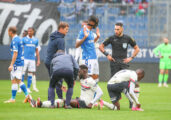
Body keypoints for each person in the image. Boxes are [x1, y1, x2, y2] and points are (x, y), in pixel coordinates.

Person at [28, 65, 116, 110]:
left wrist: (92, 103)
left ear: (84, 71)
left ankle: (40, 104)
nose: (78, 72)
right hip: (81, 100)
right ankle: (40, 104)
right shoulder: (82, 79)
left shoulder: (90, 81)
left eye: (79, 71)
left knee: (64, 101)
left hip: (85, 103)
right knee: (64, 101)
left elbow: (100, 92)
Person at [4, 26, 29, 103]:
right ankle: (13, 98)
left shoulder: (15, 40)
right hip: (19, 62)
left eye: (8, 31)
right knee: (14, 80)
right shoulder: (19, 39)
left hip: (17, 63)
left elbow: (15, 53)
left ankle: (27, 96)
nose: (8, 33)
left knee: (18, 80)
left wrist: (11, 64)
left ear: (11, 31)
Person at [44, 22, 69, 99]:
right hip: (55, 63)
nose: (67, 31)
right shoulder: (60, 40)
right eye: (66, 29)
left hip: (48, 61)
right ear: (61, 29)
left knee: (53, 81)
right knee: (59, 80)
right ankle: (60, 99)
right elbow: (60, 54)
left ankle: (50, 100)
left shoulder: (53, 36)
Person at [75, 15, 100, 82]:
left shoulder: (91, 32)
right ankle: (85, 92)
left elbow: (90, 43)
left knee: (95, 77)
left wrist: (97, 37)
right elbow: (76, 45)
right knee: (87, 79)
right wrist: (84, 37)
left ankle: (94, 92)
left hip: (94, 57)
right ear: (92, 22)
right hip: (87, 58)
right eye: (96, 23)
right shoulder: (83, 31)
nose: (97, 25)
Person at [19, 27, 40, 93]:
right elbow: (20, 49)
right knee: (22, 73)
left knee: (30, 73)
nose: (29, 32)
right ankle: (21, 88)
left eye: (30, 31)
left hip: (32, 60)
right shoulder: (24, 39)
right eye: (28, 31)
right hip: (25, 59)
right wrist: (20, 57)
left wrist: (38, 60)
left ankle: (28, 88)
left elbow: (37, 51)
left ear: (33, 31)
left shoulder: (35, 40)